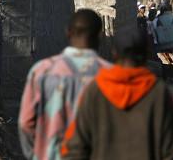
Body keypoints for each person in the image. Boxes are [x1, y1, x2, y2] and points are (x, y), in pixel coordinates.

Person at [60, 29, 173, 160]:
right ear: (146, 53)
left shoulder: (95, 91)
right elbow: (172, 150)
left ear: (114, 52)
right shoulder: (158, 93)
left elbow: (74, 146)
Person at [18, 9, 110, 160]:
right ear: (100, 35)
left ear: (68, 33)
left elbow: (26, 123)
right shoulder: (111, 75)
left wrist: (37, 155)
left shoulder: (42, 71)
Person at [154, 3, 173, 83]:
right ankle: (170, 76)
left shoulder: (159, 18)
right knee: (171, 59)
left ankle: (165, 76)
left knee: (164, 59)